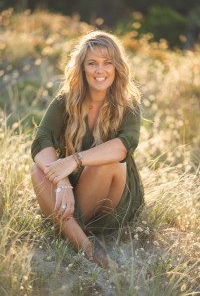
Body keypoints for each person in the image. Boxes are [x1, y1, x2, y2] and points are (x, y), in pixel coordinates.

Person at [31, 30, 144, 268]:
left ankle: (65, 227)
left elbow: (123, 147)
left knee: (106, 162)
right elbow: (42, 141)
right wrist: (62, 182)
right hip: (73, 190)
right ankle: (89, 249)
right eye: (92, 63)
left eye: (107, 63)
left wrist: (75, 160)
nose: (99, 71)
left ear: (117, 67)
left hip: (112, 199)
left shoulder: (128, 103)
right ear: (82, 68)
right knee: (37, 170)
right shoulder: (66, 100)